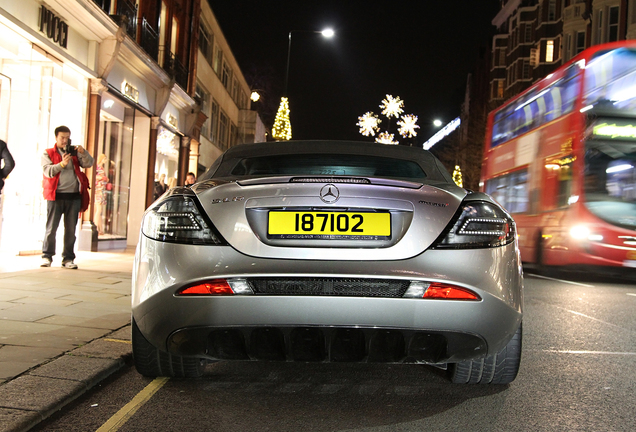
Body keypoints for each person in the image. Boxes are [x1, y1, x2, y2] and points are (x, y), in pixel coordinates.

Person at [41, 126, 94, 269]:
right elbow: (48, 172)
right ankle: (47, 256)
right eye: (62, 138)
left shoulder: (74, 153)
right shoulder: (48, 153)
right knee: (51, 229)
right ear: (56, 138)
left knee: (71, 230)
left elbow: (89, 163)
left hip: (74, 197)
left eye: (67, 137)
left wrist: (83, 153)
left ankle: (68, 258)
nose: (65, 140)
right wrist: (62, 164)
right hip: (55, 196)